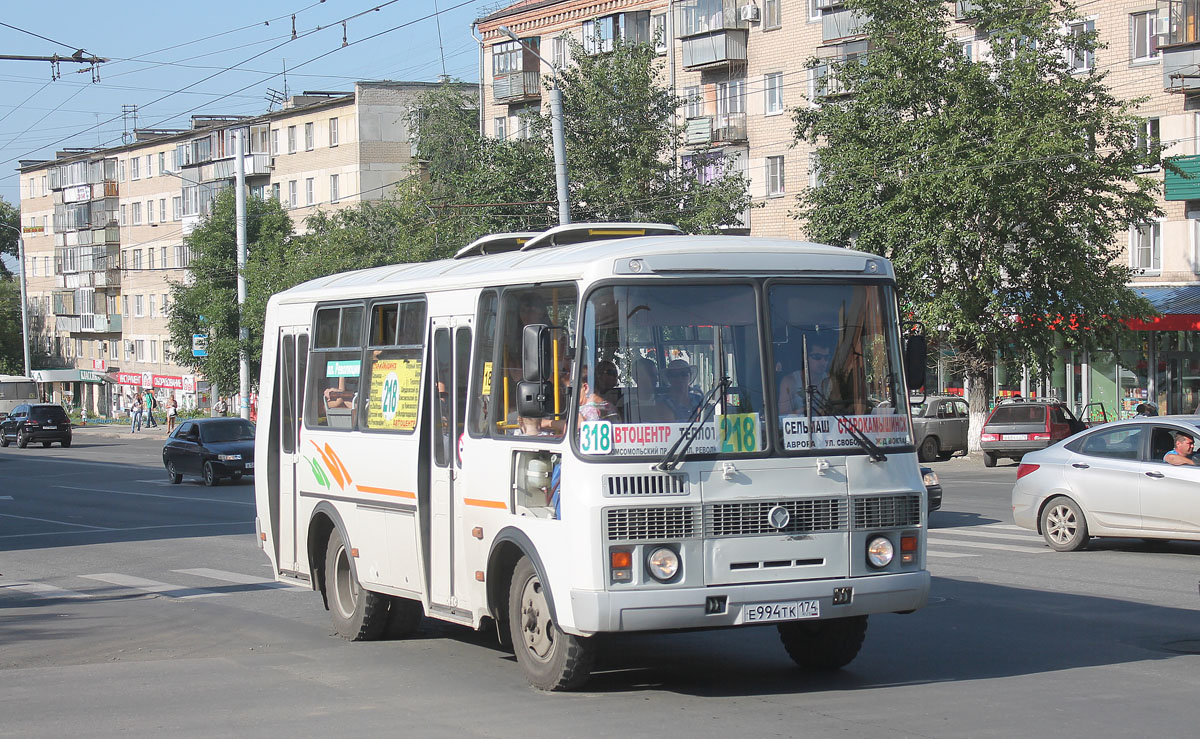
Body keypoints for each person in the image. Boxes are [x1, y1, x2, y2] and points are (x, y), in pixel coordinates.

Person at [778, 342, 834, 415]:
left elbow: (840, 409)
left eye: (826, 358)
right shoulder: (789, 381)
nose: (823, 362)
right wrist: (808, 410)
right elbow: (783, 416)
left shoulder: (831, 380)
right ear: (805, 357)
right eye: (817, 357)